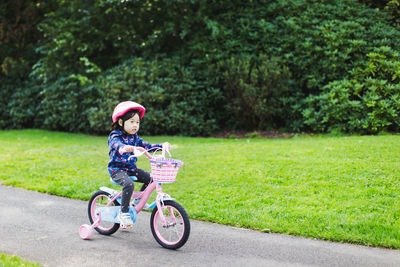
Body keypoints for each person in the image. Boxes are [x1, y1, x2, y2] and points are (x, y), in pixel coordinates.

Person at [108, 101, 169, 227]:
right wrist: (123, 148)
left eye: (137, 122)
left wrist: (160, 146)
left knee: (152, 178)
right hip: (117, 170)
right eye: (132, 122)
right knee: (129, 184)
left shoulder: (134, 137)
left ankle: (138, 200)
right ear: (121, 122)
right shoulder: (115, 136)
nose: (135, 125)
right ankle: (123, 213)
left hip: (130, 169)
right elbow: (116, 144)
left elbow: (146, 146)